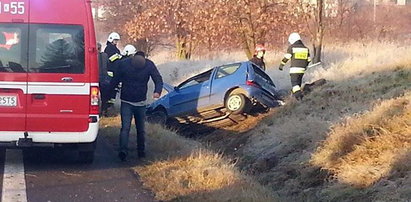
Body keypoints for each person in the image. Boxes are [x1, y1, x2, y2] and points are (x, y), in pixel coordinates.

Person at [109, 53, 163, 161]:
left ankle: (123, 151)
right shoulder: (149, 64)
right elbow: (158, 79)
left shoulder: (123, 64)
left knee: (125, 128)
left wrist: (108, 94)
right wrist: (157, 91)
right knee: (140, 129)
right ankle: (141, 153)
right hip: (140, 102)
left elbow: (115, 81)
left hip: (127, 101)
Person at [278, 32, 311, 100]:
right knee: (298, 84)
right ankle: (294, 98)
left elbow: (287, 57)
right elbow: (309, 60)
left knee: (295, 84)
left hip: (294, 70)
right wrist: (305, 66)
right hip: (302, 70)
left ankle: (299, 97)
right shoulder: (306, 49)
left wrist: (281, 65)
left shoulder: (292, 48)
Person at [97, 43, 111, 116]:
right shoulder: (105, 55)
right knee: (104, 96)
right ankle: (104, 110)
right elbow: (108, 65)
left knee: (95, 96)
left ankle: (97, 111)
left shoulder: (94, 56)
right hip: (104, 78)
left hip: (96, 78)